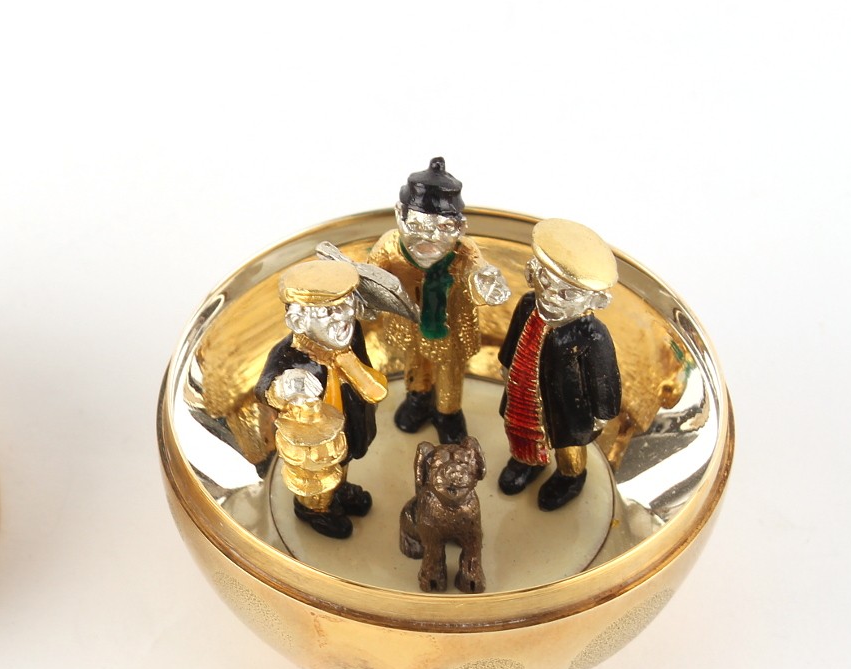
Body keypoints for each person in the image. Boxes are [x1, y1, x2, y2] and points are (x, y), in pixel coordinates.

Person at [367, 157, 510, 444]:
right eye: (417, 226)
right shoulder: (390, 246)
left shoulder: (464, 251)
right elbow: (372, 275)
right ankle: (417, 398)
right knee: (414, 363)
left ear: (460, 227)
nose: (428, 238)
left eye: (442, 228)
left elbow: (478, 272)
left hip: (449, 329)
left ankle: (448, 413)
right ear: (399, 215)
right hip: (409, 324)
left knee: (449, 372)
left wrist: (486, 283)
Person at [497, 219, 622, 511]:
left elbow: (604, 377)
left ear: (596, 299)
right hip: (524, 391)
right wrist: (506, 366)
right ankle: (527, 461)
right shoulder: (528, 305)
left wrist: (602, 413)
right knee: (519, 428)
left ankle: (571, 477)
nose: (552, 295)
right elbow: (513, 340)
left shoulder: (592, 334)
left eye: (569, 293)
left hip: (569, 408)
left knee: (569, 448)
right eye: (546, 280)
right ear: (532, 272)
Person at [257, 260, 387, 538]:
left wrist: (349, 364)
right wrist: (283, 388)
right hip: (313, 440)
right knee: (316, 476)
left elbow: (366, 375)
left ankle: (338, 490)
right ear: (298, 321)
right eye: (328, 311)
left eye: (347, 304)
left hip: (347, 423)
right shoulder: (287, 355)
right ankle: (315, 510)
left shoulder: (351, 336)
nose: (344, 316)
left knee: (343, 460)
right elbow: (264, 389)